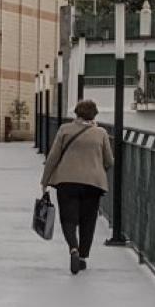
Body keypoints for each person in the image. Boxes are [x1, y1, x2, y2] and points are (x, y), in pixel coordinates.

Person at [40, 98, 115, 274]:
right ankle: (82, 258)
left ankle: (73, 248)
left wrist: (45, 181)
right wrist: (97, 169)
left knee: (68, 219)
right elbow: (109, 161)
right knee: (88, 221)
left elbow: (52, 157)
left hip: (66, 182)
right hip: (93, 184)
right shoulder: (101, 133)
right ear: (94, 115)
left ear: (76, 113)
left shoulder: (65, 130)